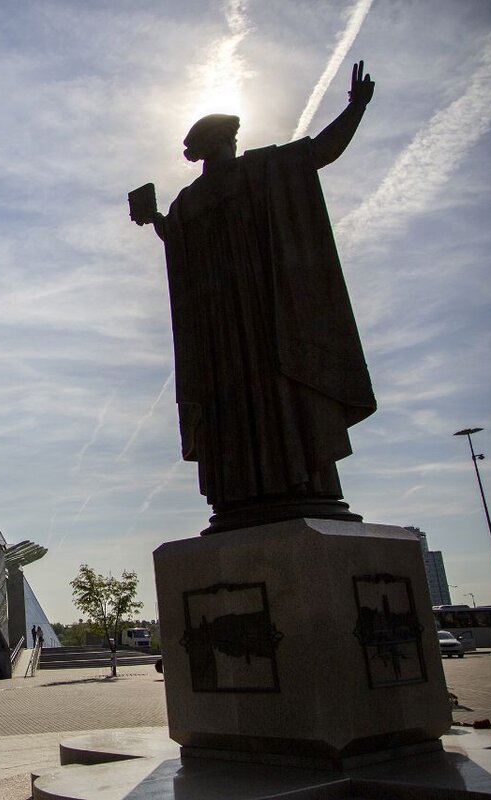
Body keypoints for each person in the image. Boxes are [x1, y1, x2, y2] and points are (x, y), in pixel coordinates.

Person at [132, 61, 378, 533]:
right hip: (221, 325)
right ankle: (243, 489)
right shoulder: (192, 199)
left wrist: (355, 108)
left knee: (280, 389)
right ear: (213, 145)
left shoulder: (261, 169)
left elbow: (319, 152)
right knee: (235, 403)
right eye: (225, 138)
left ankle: (294, 481)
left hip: (266, 308)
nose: (230, 144)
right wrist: (155, 218)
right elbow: (178, 240)